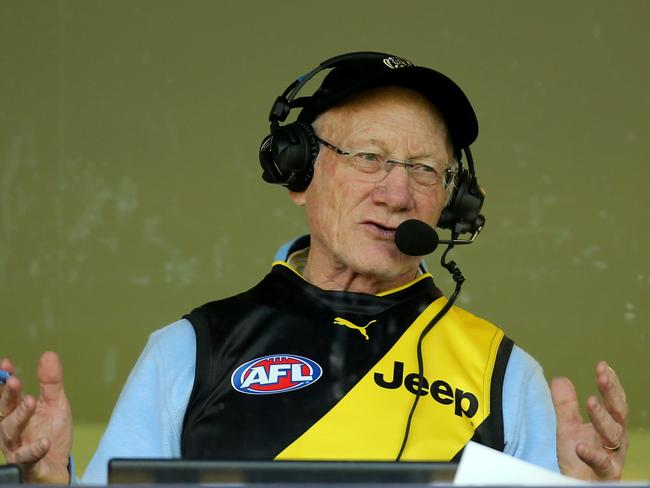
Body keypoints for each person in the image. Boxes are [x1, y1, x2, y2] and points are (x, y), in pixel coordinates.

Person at [0, 52, 628, 484]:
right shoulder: (188, 352)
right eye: (369, 157)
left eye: (424, 169)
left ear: (451, 203)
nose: (397, 192)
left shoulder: (507, 375)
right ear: (299, 174)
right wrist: (47, 486)